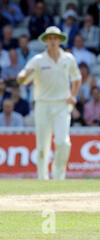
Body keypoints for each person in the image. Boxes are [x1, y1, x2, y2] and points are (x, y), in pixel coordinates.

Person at [17, 26, 82, 180]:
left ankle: (59, 177)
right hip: (42, 104)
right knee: (42, 144)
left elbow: (76, 78)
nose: (53, 41)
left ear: (60, 40)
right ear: (46, 41)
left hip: (62, 104)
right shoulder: (38, 60)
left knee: (63, 142)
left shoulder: (68, 58)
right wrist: (22, 76)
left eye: (55, 38)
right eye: (50, 38)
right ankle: (42, 178)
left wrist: (73, 95)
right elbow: (23, 77)